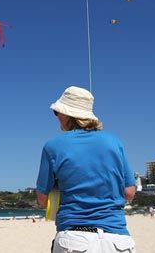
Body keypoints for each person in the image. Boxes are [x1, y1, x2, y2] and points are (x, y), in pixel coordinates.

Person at [36, 86, 137, 253]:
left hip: (74, 238)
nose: (56, 117)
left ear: (68, 115)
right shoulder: (115, 142)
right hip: (117, 239)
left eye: (56, 112)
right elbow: (129, 193)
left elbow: (41, 199)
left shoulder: (53, 146)